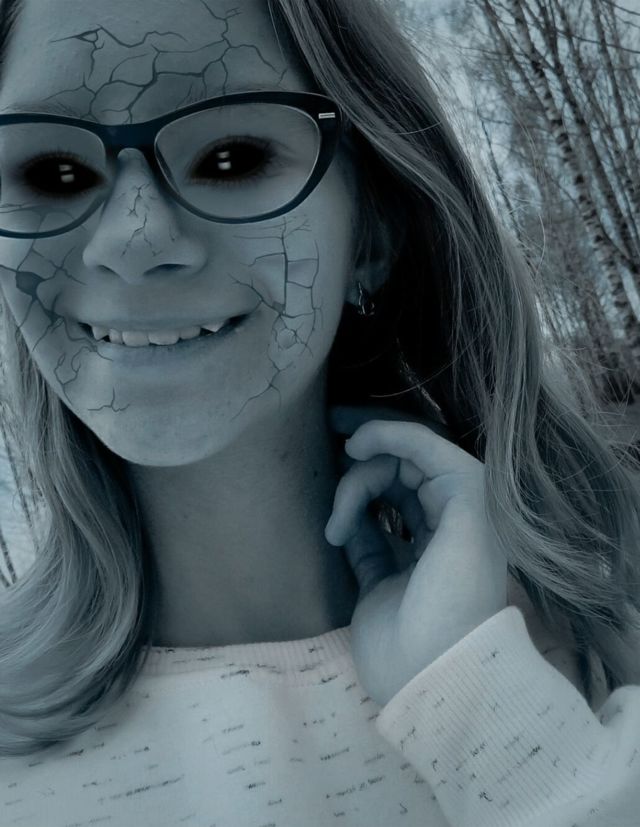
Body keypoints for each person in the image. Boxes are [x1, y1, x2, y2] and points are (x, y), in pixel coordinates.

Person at [0, 0, 639, 823]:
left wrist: (482, 708)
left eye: (231, 157)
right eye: (53, 173)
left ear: (373, 230)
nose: (132, 238)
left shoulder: (592, 654)